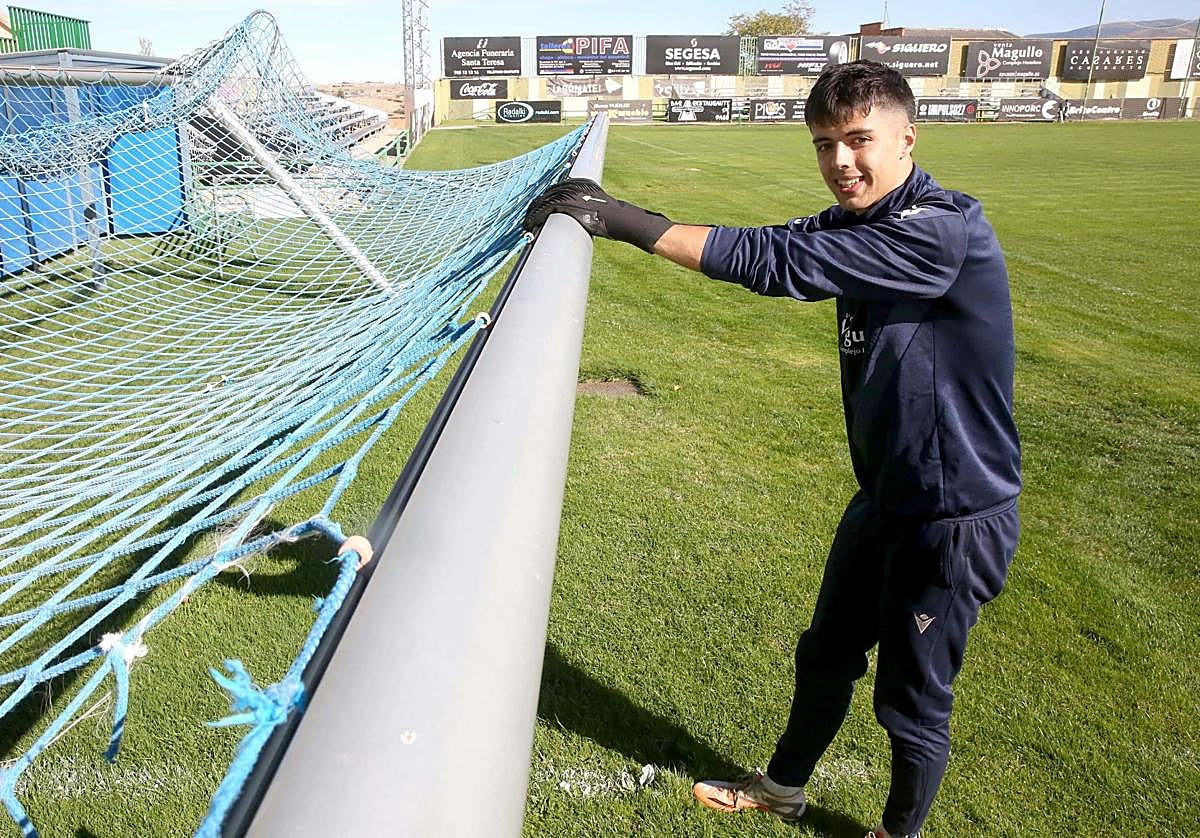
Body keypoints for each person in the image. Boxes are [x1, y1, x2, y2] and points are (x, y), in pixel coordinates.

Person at [523, 60, 1021, 838]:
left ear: (907, 138)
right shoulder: (859, 222)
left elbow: (784, 266)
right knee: (825, 655)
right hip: (884, 500)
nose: (840, 162)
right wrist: (628, 214)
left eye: (859, 140)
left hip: (951, 518)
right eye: (824, 144)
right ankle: (782, 789)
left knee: (912, 702)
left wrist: (622, 222)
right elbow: (773, 242)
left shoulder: (939, 232)